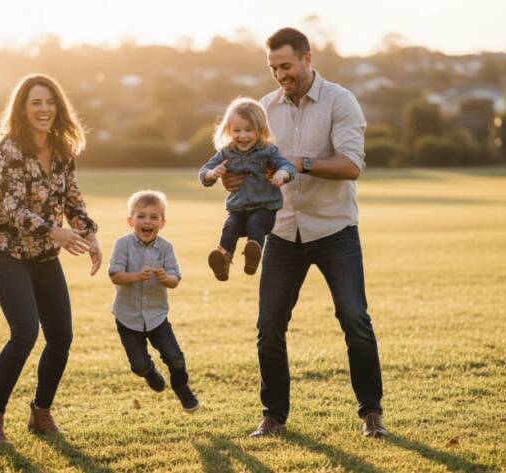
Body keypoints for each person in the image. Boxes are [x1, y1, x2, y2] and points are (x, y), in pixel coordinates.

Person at [219, 28, 387, 438]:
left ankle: (371, 414)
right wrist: (233, 181)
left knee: (354, 319)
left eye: (287, 66)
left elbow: (351, 166)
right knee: (269, 326)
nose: (280, 75)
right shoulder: (264, 108)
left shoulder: (340, 101)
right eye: (273, 68)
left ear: (308, 59)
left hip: (334, 230)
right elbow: (247, 162)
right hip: (281, 231)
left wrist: (300, 162)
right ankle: (273, 417)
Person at [0, 74, 102, 445]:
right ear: (23, 108)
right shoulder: (8, 150)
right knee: (25, 333)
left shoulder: (63, 149)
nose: (44, 109)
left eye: (50, 102)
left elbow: (72, 200)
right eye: (36, 103)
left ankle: (40, 414)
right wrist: (56, 232)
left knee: (61, 335)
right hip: (6, 250)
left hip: (44, 254)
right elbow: (12, 207)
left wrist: (88, 232)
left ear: (58, 107)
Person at [108, 190, 199, 412]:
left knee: (175, 358)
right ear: (131, 221)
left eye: (153, 217)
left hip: (157, 316)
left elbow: (175, 278)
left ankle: (182, 387)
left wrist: (165, 278)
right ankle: (148, 371)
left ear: (162, 222)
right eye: (141, 216)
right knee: (138, 365)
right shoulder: (122, 244)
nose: (147, 221)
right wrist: (135, 277)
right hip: (128, 318)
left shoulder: (166, 248)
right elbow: (114, 274)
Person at [198, 97, 296, 281]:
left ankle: (253, 254)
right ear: (228, 130)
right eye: (237, 130)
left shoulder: (268, 151)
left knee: (255, 223)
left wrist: (282, 173)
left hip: (264, 208)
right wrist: (212, 174)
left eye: (249, 130)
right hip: (238, 208)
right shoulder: (226, 152)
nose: (243, 135)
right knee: (230, 226)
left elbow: (287, 166)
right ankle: (224, 259)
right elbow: (204, 172)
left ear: (260, 130)